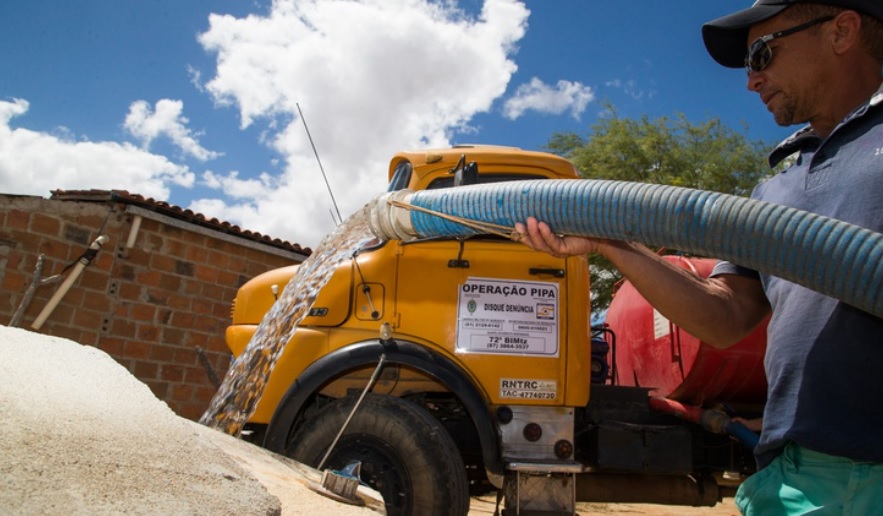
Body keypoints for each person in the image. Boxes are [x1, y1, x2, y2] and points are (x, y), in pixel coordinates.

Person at [516, 1, 883, 514]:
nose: (752, 81)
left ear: (841, 31)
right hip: (796, 475)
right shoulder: (777, 189)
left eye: (762, 54)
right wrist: (609, 241)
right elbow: (725, 315)